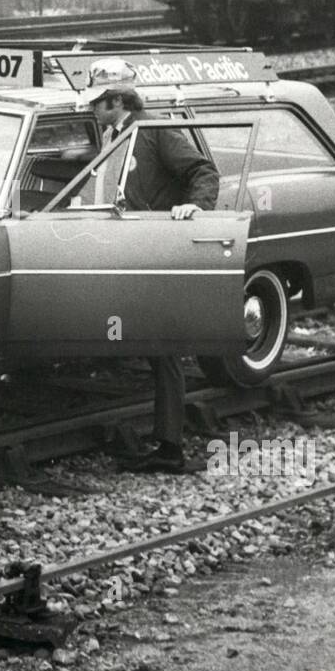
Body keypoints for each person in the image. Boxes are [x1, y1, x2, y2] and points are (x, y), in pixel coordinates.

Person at [88, 63, 220, 474]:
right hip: (125, 244)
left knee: (163, 349)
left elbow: (203, 170)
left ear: (117, 101)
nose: (93, 109)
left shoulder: (154, 129)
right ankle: (163, 439)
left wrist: (195, 206)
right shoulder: (112, 132)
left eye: (98, 101)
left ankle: (170, 446)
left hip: (154, 245)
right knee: (149, 345)